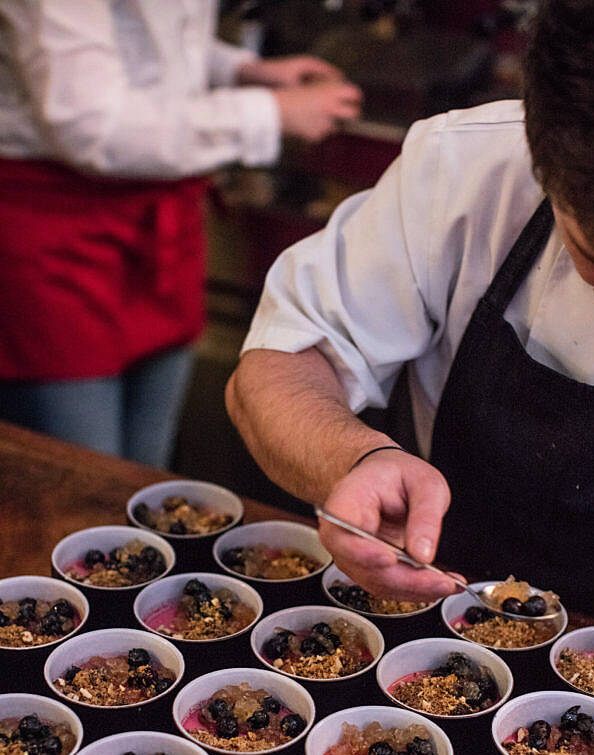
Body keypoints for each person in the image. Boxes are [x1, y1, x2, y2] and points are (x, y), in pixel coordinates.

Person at [226, 0, 594, 631]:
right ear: (540, 159)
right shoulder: (469, 169)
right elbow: (279, 362)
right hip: (436, 624)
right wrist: (350, 458)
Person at [0, 0, 361, 466]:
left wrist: (237, 69)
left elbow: (149, 32)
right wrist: (267, 112)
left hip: (161, 224)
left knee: (145, 472)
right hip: (60, 234)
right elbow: (91, 125)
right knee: (81, 474)